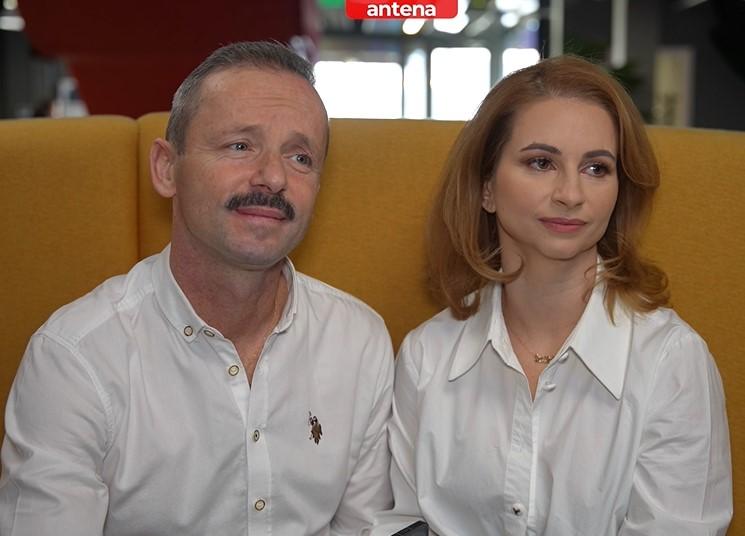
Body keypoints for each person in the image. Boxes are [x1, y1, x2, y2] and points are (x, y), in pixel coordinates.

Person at [0, 41, 394, 535]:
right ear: (167, 169)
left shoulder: (358, 341)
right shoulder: (76, 358)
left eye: (300, 157)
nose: (273, 177)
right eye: (240, 146)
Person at [368, 55, 732, 535]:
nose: (570, 194)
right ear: (486, 188)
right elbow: (401, 523)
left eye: (597, 168)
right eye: (541, 163)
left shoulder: (671, 361)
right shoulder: (426, 356)